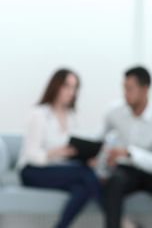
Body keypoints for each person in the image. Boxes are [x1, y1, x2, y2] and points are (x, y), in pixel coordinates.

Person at [18, 68, 103, 228]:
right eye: (67, 86)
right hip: (33, 171)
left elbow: (69, 151)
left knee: (82, 188)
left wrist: (81, 155)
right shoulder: (39, 114)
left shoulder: (71, 116)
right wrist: (54, 153)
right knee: (85, 174)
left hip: (58, 170)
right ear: (56, 86)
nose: (71, 92)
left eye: (75, 88)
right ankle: (121, 222)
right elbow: (31, 154)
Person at [101, 66, 152, 228]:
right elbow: (100, 139)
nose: (125, 94)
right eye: (124, 88)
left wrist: (130, 153)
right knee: (114, 182)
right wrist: (100, 160)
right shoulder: (115, 112)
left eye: (130, 89)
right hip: (126, 171)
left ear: (145, 89)